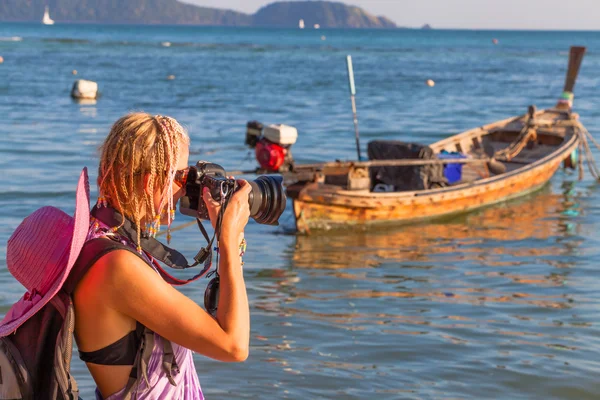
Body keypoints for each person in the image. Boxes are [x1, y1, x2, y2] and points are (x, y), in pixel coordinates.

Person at [73, 112, 251, 399]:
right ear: (149, 182)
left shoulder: (102, 240)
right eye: (182, 176)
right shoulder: (118, 266)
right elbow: (234, 346)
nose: (187, 187)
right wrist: (229, 239)